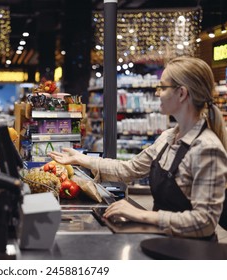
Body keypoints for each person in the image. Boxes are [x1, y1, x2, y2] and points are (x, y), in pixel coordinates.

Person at [49, 56, 227, 241]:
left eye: (162, 87)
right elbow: (130, 169)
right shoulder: (168, 138)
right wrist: (81, 158)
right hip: (165, 242)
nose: (157, 93)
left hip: (191, 256)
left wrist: (141, 214)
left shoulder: (207, 149)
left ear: (182, 93)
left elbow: (204, 223)